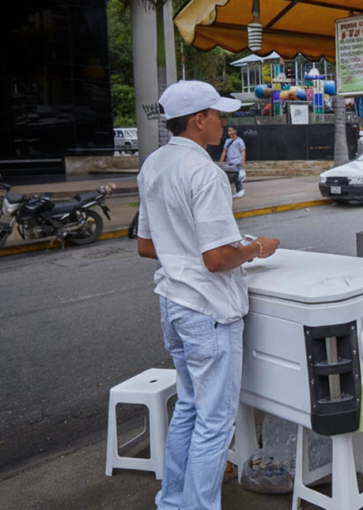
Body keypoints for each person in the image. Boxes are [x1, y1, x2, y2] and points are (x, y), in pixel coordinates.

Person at [136, 81, 280, 510]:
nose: (223, 122)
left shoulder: (153, 165)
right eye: (218, 114)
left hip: (174, 304)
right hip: (208, 310)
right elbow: (217, 259)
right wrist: (256, 248)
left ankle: (172, 501)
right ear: (199, 120)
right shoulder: (206, 173)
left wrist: (186, 249)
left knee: (189, 407)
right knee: (215, 422)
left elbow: (147, 245)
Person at [219, 127, 247, 198]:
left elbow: (243, 151)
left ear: (235, 131)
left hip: (237, 161)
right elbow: (224, 151)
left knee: (237, 176)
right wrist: (221, 161)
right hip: (230, 162)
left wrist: (243, 160)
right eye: (229, 131)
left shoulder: (239, 140)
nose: (230, 132)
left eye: (231, 130)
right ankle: (234, 191)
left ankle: (240, 190)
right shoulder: (227, 141)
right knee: (231, 177)